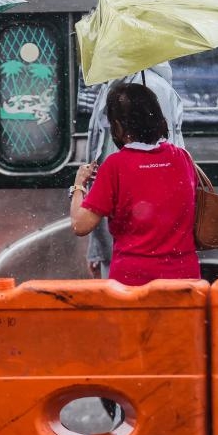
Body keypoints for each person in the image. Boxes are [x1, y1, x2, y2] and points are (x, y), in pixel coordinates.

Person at [69, 82, 198, 286]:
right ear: (158, 118)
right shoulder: (182, 158)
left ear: (118, 126)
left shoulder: (115, 166)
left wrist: (78, 186)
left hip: (132, 280)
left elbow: (80, 225)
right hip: (184, 278)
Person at [85, 63, 185, 279]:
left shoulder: (140, 89)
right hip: (127, 246)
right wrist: (97, 247)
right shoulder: (117, 85)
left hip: (134, 253)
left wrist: (77, 186)